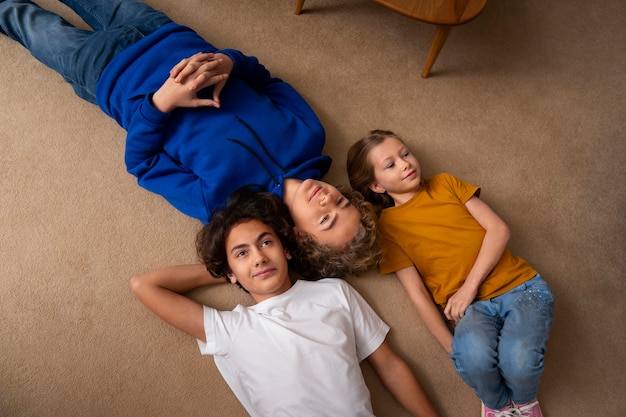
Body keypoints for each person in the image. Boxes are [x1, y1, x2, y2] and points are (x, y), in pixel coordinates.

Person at [0, 0, 380, 277]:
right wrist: (229, 62)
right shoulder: (311, 134)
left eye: (327, 220)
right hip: (165, 35)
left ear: (300, 238)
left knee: (24, 21)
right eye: (343, 201)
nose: (330, 198)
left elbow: (142, 163)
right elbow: (266, 80)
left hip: (110, 75)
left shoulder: (225, 206)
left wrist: (160, 103)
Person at [131, 187, 441, 417]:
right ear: (229, 270)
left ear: (287, 249)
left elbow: (390, 366)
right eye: (242, 252)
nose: (259, 257)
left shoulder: (334, 293)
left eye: (266, 242)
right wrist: (229, 270)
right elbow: (145, 286)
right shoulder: (230, 329)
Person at [346, 130, 554, 417]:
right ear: (377, 186)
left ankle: (525, 402)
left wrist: (469, 287)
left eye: (405, 153)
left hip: (521, 288)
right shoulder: (388, 228)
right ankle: (498, 406)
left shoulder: (445, 183)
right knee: (472, 359)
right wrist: (450, 345)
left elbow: (499, 230)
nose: (405, 163)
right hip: (471, 311)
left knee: (519, 362)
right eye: (390, 164)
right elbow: (417, 293)